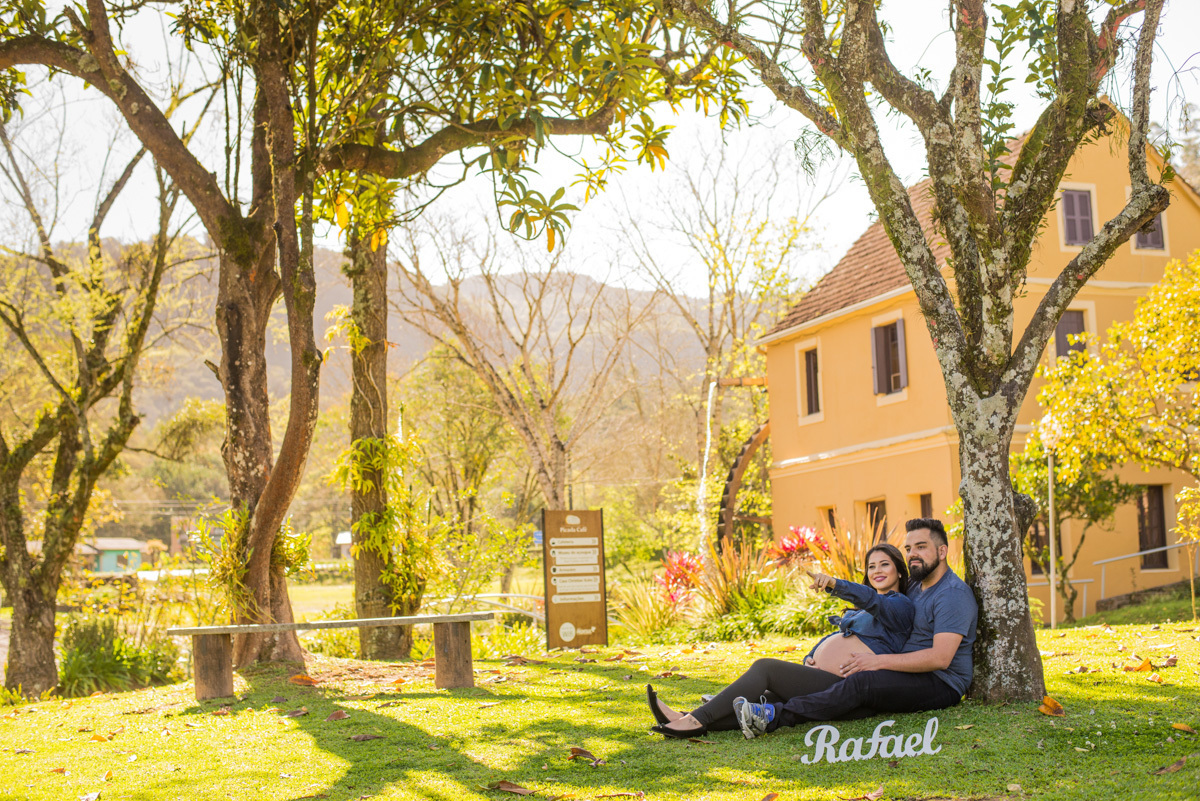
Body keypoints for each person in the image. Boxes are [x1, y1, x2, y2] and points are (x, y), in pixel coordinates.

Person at [732, 517, 978, 739]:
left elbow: (940, 658)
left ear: (942, 551)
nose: (912, 554)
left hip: (940, 682)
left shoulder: (952, 594)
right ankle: (732, 710)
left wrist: (879, 661)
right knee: (847, 694)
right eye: (908, 549)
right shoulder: (916, 584)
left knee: (863, 683)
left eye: (921, 547)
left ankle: (775, 716)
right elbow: (874, 606)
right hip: (907, 671)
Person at [647, 542, 915, 738]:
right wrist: (811, 656)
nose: (877, 571)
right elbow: (841, 636)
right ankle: (684, 719)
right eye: (871, 566)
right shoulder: (864, 611)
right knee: (763, 699)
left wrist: (835, 584)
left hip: (846, 688)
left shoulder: (900, 606)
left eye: (884, 564)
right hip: (824, 679)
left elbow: (872, 600)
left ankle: (694, 720)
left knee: (766, 669)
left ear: (900, 572)